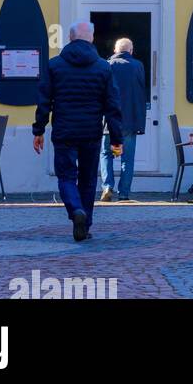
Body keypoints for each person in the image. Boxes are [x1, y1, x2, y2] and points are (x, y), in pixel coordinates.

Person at [33, 21, 123, 242]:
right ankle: (86, 223)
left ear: (70, 38)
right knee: (88, 179)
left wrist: (39, 129)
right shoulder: (103, 67)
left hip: (64, 131)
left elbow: (44, 101)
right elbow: (113, 106)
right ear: (91, 38)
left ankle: (76, 211)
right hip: (91, 132)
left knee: (66, 177)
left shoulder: (54, 66)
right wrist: (116, 139)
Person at [100, 37, 147, 202]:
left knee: (107, 154)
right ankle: (124, 193)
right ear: (131, 51)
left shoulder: (107, 65)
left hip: (110, 120)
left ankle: (107, 186)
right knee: (127, 158)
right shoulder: (138, 66)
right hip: (129, 120)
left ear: (115, 51)